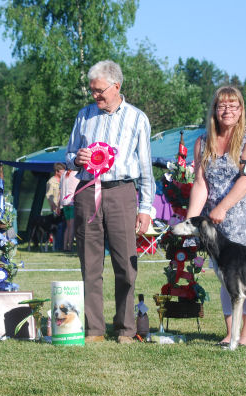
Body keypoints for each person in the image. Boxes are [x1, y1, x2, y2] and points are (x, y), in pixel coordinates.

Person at [65, 60, 155, 344]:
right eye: (91, 91)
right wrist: (75, 158)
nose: (95, 96)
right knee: (89, 264)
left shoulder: (138, 119)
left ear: (116, 86)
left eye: (99, 91)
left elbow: (146, 169)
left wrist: (145, 208)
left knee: (125, 265)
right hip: (87, 191)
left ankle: (127, 328)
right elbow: (68, 154)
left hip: (122, 193)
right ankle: (94, 329)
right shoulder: (84, 115)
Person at [186, 86, 246, 347]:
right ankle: (230, 332)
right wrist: (190, 223)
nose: (227, 111)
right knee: (225, 278)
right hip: (218, 224)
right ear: (214, 109)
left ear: (241, 110)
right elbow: (201, 185)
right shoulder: (202, 142)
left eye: (234, 106)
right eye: (222, 105)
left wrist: (223, 207)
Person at [46, 162, 66, 250]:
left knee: (63, 228)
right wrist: (54, 206)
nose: (64, 173)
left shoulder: (64, 180)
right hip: (56, 210)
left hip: (64, 208)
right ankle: (57, 247)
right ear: (57, 171)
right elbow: (48, 196)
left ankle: (61, 246)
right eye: (62, 171)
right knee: (58, 229)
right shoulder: (51, 182)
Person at [59, 169, 80, 252]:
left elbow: (60, 190)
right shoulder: (77, 173)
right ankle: (70, 247)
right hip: (72, 202)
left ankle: (65, 246)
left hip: (64, 203)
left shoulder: (63, 174)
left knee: (68, 227)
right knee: (72, 227)